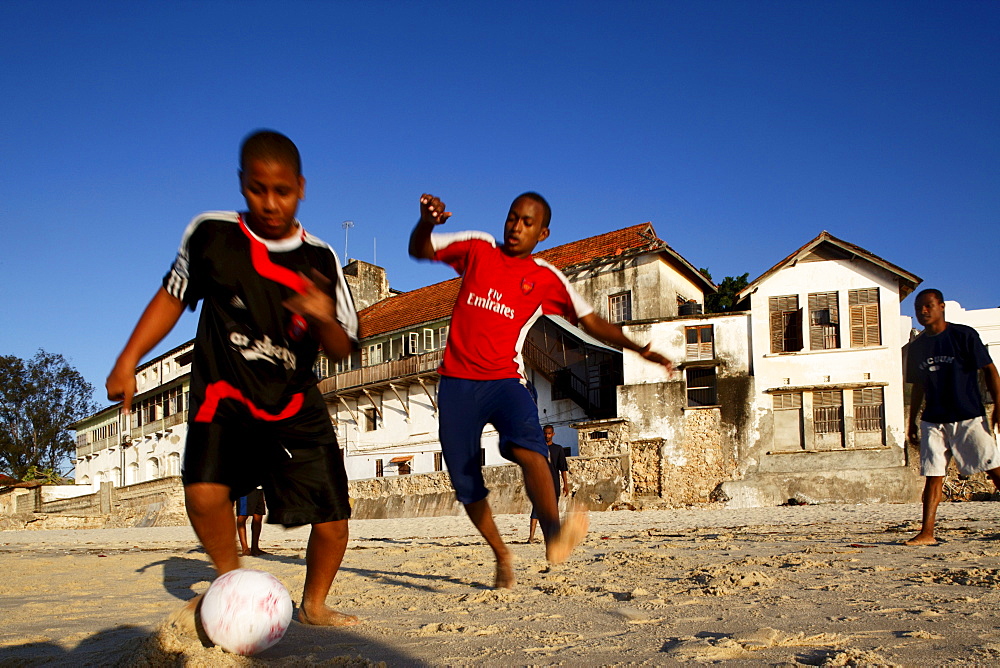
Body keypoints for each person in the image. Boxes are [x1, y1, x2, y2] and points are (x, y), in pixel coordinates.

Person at [106, 130, 361, 626]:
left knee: (333, 523)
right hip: (224, 392)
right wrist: (128, 359)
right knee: (203, 494)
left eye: (282, 191)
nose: (269, 202)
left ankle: (314, 604)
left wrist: (323, 315)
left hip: (293, 400)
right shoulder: (212, 235)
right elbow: (172, 296)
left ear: (301, 187)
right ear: (242, 184)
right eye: (257, 189)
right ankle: (232, 581)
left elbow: (344, 347)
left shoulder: (321, 259)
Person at [409, 192, 673, 588]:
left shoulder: (547, 278)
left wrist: (640, 348)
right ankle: (501, 553)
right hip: (457, 384)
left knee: (530, 449)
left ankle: (553, 537)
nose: (516, 227)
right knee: (465, 482)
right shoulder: (478, 248)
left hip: (504, 380)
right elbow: (419, 249)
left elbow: (591, 322)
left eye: (527, 222)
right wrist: (427, 222)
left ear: (542, 232)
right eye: (512, 218)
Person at [903, 288, 1000, 546]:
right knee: (933, 475)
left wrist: (999, 404)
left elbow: (989, 370)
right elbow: (918, 387)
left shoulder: (963, 335)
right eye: (918, 308)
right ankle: (927, 533)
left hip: (968, 415)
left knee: (993, 468)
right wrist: (913, 420)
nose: (923, 312)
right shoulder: (918, 346)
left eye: (928, 306)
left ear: (941, 306)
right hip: (934, 418)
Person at [528, 425, 570, 544]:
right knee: (536, 510)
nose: (547, 436)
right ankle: (531, 537)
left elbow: (563, 468)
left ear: (553, 434)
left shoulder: (558, 449)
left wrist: (565, 485)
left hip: (554, 485)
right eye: (545, 433)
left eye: (549, 433)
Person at [236, 487, 267, 556]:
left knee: (258, 516)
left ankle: (255, 548)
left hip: (259, 489)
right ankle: (245, 548)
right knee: (243, 516)